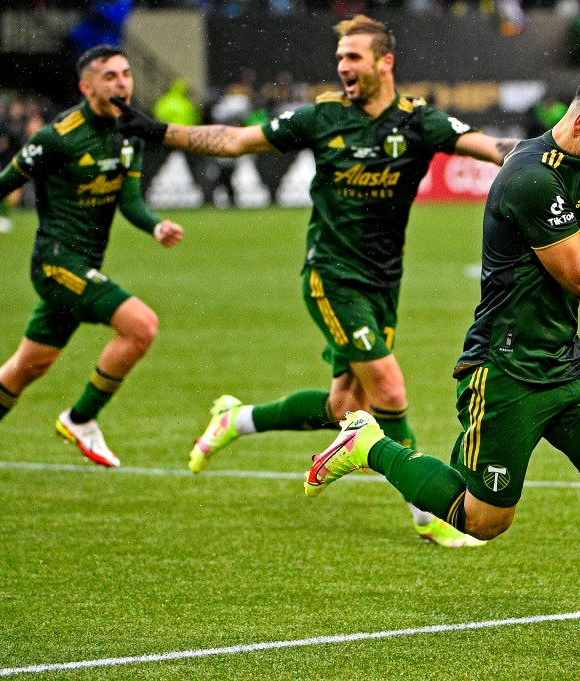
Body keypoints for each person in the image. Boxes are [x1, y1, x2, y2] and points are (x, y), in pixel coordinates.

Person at [303, 69, 580, 660]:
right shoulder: (529, 178)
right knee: (484, 521)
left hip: (564, 360)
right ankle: (370, 446)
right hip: (506, 367)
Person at [113, 15, 516, 548]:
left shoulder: (418, 123)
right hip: (331, 275)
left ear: (384, 62)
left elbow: (495, 150)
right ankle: (431, 514)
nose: (343, 67)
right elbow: (235, 141)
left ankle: (237, 419)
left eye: (354, 57)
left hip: (382, 282)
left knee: (342, 407)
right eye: (340, 58)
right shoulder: (322, 117)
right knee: (389, 388)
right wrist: (159, 130)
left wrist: (563, 154)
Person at [0, 45, 184, 509]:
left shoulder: (130, 134)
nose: (122, 83)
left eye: (126, 74)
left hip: (84, 267)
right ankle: (82, 418)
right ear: (87, 87)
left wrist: (155, 225)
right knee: (141, 326)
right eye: (110, 76)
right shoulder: (57, 137)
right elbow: (2, 184)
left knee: (28, 367)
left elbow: (130, 202)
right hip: (56, 263)